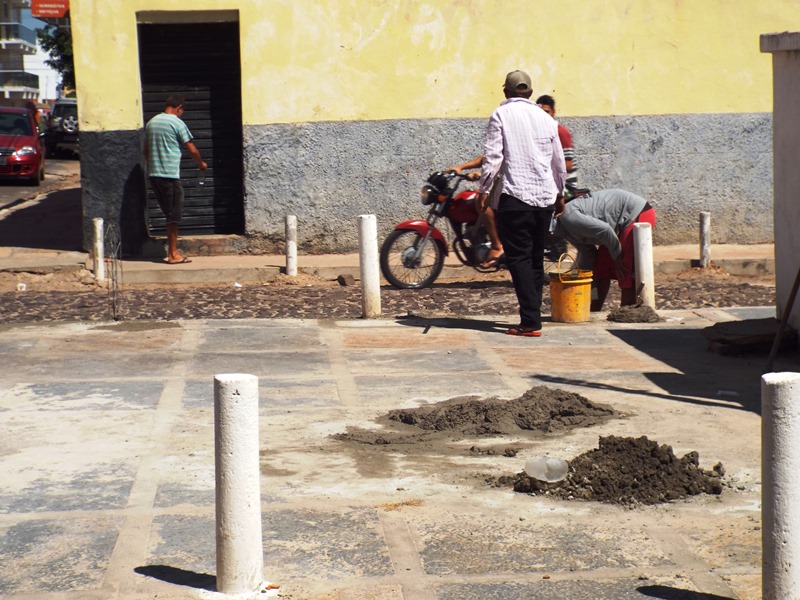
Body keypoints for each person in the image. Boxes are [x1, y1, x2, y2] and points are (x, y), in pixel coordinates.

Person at [479, 70, 567, 337]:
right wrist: (559, 194)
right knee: (535, 259)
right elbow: (558, 162)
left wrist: (484, 190)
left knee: (518, 259)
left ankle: (530, 321)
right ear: (529, 92)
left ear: (505, 91)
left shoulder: (500, 114)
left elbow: (493, 156)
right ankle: (532, 317)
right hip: (544, 199)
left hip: (515, 197)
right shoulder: (546, 118)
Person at [550, 188, 657, 311]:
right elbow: (588, 253)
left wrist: (617, 257)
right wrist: (577, 277)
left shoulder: (568, 217)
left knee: (624, 268)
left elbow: (605, 231)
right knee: (600, 269)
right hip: (615, 229)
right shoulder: (562, 230)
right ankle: (593, 311)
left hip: (636, 214)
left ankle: (626, 313)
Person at [144, 94, 207, 264]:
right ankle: (173, 254)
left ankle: (173, 252)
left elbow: (146, 150)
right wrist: (201, 163)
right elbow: (191, 149)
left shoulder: (151, 122)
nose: (181, 114)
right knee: (173, 216)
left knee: (168, 214)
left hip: (154, 175)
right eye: (181, 111)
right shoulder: (177, 122)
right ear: (179, 108)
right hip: (169, 176)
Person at [447, 155, 504, 268]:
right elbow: (487, 157)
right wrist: (461, 168)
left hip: (507, 189)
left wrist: (482, 175)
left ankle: (496, 246)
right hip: (499, 187)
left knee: (480, 199)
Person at [535, 95, 579, 197]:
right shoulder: (539, 132)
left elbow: (568, 165)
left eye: (547, 112)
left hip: (566, 186)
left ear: (553, 112)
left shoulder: (560, 132)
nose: (543, 116)